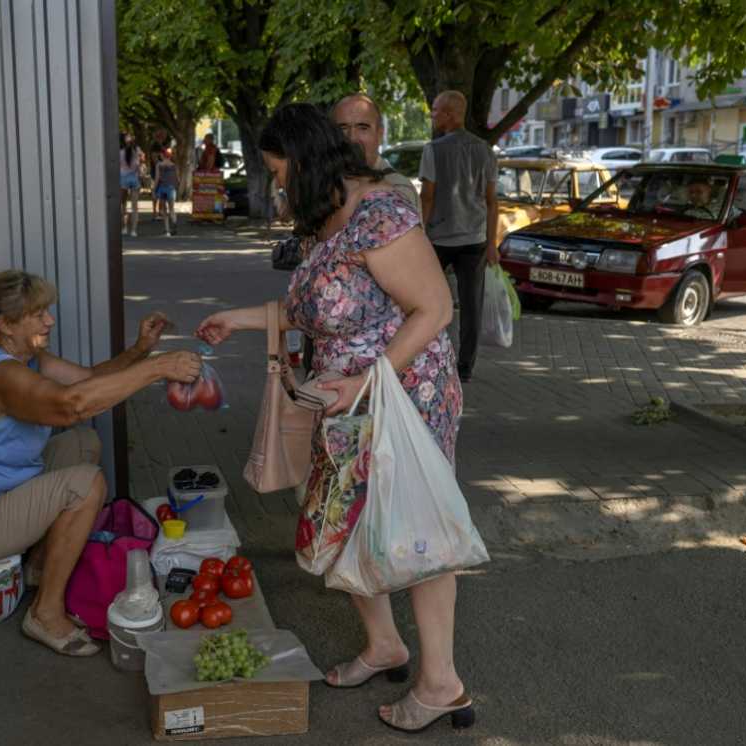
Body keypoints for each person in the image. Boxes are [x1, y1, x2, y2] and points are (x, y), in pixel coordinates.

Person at [196, 103, 472, 733]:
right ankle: (384, 646)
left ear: (307, 159)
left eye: (279, 170)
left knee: (416, 527)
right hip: (343, 399)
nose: (277, 185)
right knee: (341, 519)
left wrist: (367, 380)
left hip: (405, 395)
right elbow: (322, 309)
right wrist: (237, 319)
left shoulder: (381, 213)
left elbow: (434, 308)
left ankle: (440, 682)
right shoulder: (324, 218)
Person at [0, 271, 200, 656]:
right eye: (38, 314)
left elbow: (87, 380)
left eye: (46, 311)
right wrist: (157, 368)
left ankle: (38, 568)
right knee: (86, 484)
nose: (49, 320)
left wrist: (141, 350)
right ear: (5, 325)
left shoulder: (24, 358)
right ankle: (45, 613)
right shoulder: (0, 373)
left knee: (82, 442)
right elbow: (72, 405)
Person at [419, 91, 498, 383]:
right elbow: (492, 201)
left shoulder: (433, 150)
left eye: (436, 110)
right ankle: (465, 368)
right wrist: (491, 243)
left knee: (423, 299)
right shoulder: (485, 150)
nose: (432, 114)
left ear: (451, 114)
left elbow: (427, 197)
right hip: (474, 240)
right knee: (471, 306)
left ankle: (422, 354)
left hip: (438, 239)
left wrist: (418, 233)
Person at [330, 93, 420, 212]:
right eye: (342, 128)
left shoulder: (398, 190)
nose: (352, 138)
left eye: (363, 128)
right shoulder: (325, 182)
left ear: (380, 134)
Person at [120, 133, 143, 237]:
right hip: (134, 179)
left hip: (123, 179)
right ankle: (134, 230)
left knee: (123, 205)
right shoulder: (137, 152)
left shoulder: (120, 152)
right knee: (135, 207)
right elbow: (139, 165)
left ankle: (124, 227)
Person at [154, 147, 180, 235]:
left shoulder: (159, 165)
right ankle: (174, 224)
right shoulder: (174, 165)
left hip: (162, 188)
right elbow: (177, 179)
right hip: (171, 188)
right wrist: (176, 188)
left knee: (164, 210)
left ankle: (167, 230)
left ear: (162, 155)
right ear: (170, 156)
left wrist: (154, 189)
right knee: (172, 209)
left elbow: (157, 178)